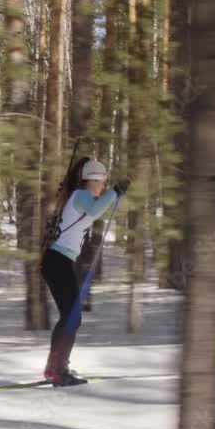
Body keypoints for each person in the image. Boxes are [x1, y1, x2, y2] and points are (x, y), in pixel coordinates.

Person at [42, 159, 129, 386]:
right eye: (102, 182)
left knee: (69, 317)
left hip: (58, 261)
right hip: (57, 261)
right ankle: (58, 371)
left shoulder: (81, 197)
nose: (103, 186)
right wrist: (115, 192)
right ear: (93, 179)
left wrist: (113, 193)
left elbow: (95, 209)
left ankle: (54, 368)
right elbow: (96, 211)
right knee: (72, 317)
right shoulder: (81, 195)